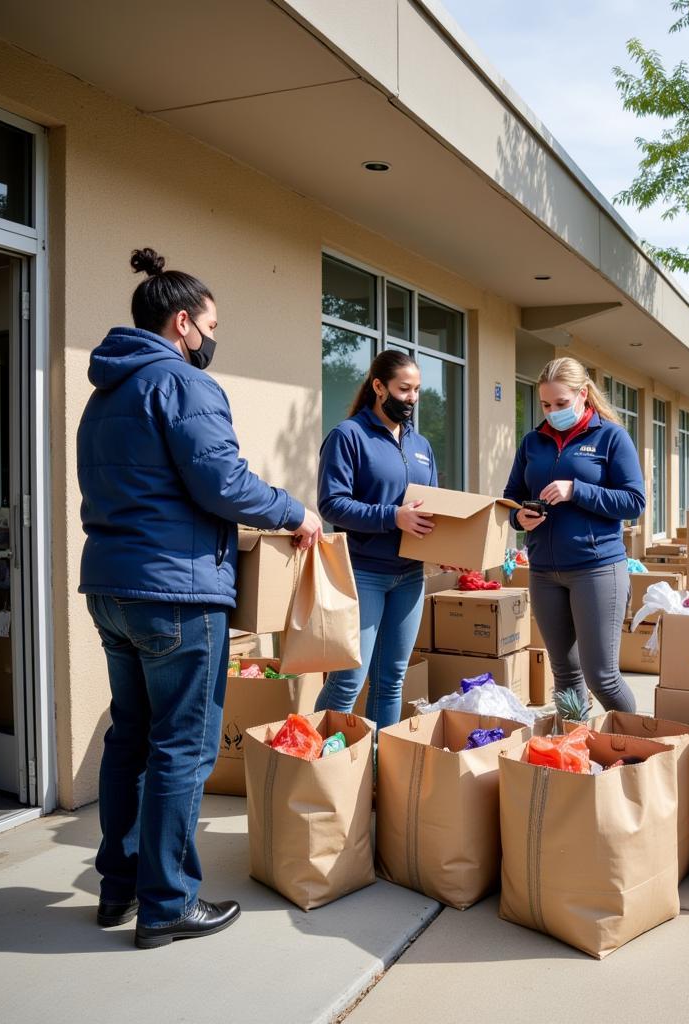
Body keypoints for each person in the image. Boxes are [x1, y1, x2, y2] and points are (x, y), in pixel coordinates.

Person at [78, 248, 321, 948]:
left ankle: (119, 887)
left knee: (130, 739)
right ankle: (167, 904)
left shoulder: (105, 392)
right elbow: (222, 481)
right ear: (182, 323)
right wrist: (292, 510)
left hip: (113, 587)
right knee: (183, 745)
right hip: (177, 595)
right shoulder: (183, 386)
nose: (212, 340)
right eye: (210, 326)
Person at [503, 357, 646, 714]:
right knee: (565, 675)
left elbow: (634, 502)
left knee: (603, 678)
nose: (553, 412)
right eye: (546, 405)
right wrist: (519, 517)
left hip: (596, 569)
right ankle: (576, 757)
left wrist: (576, 490)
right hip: (544, 572)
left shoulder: (611, 437)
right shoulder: (532, 442)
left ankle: (643, 754)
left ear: (583, 395)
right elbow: (510, 499)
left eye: (561, 404)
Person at [315, 350, 438, 728]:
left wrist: (445, 547)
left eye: (417, 390)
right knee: (348, 680)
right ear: (379, 387)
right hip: (363, 573)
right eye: (404, 389)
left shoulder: (421, 446)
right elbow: (331, 505)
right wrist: (393, 517)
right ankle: (310, 764)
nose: (412, 398)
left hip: (410, 576)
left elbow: (434, 507)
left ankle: (376, 766)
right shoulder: (348, 436)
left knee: (391, 681)